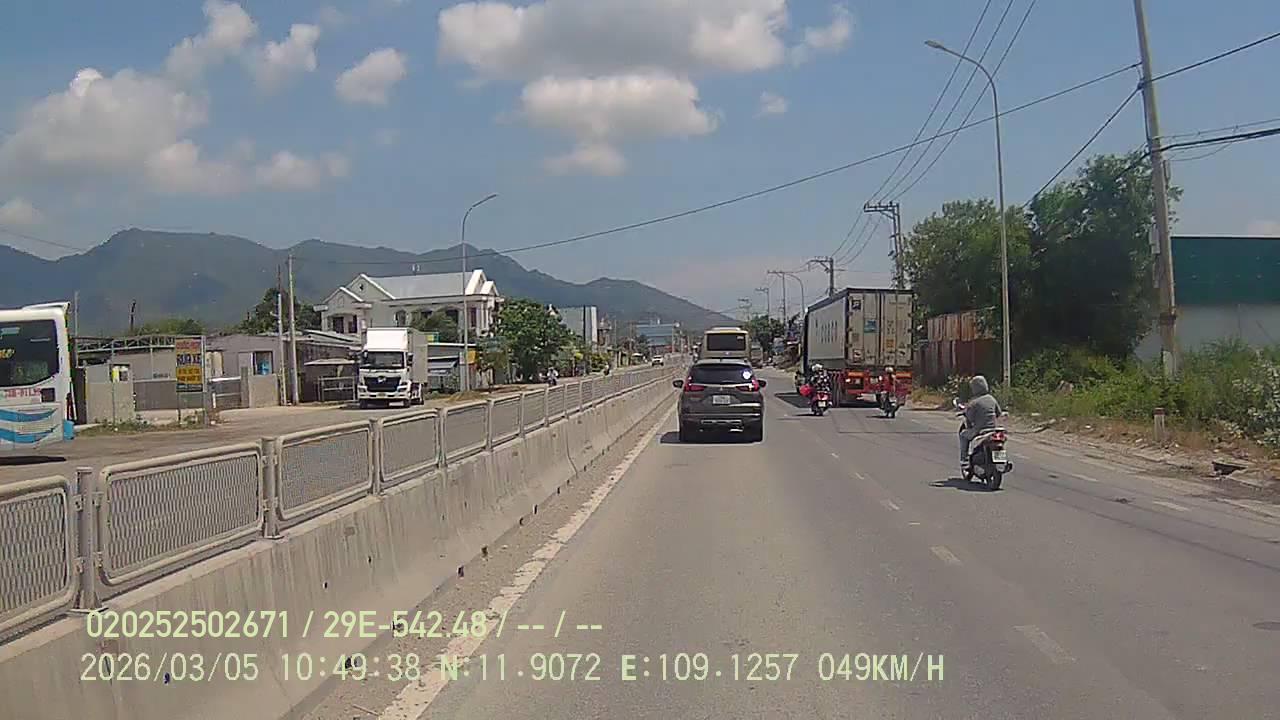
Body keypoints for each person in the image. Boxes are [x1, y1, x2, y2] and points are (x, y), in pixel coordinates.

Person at [959, 375, 1002, 466]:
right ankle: (1000, 459)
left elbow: (970, 418)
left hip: (979, 430)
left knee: (963, 435)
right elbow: (998, 413)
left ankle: (964, 459)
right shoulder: (991, 399)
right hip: (993, 429)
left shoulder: (974, 402)